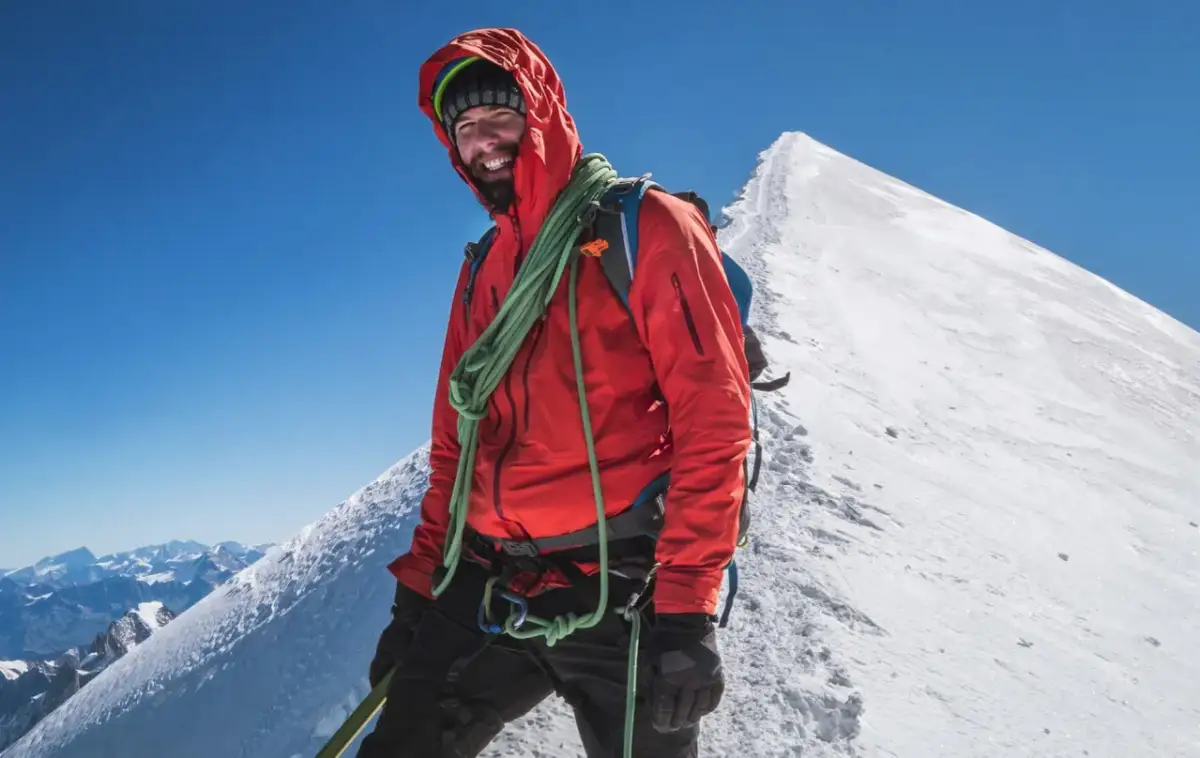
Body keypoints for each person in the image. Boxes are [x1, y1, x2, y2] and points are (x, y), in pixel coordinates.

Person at [357, 27, 752, 758]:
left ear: (540, 114)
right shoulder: (482, 268)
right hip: (487, 582)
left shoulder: (646, 226)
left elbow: (715, 421)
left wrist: (688, 612)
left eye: (499, 116)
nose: (483, 140)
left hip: (622, 588)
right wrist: (415, 596)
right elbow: (455, 445)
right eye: (464, 128)